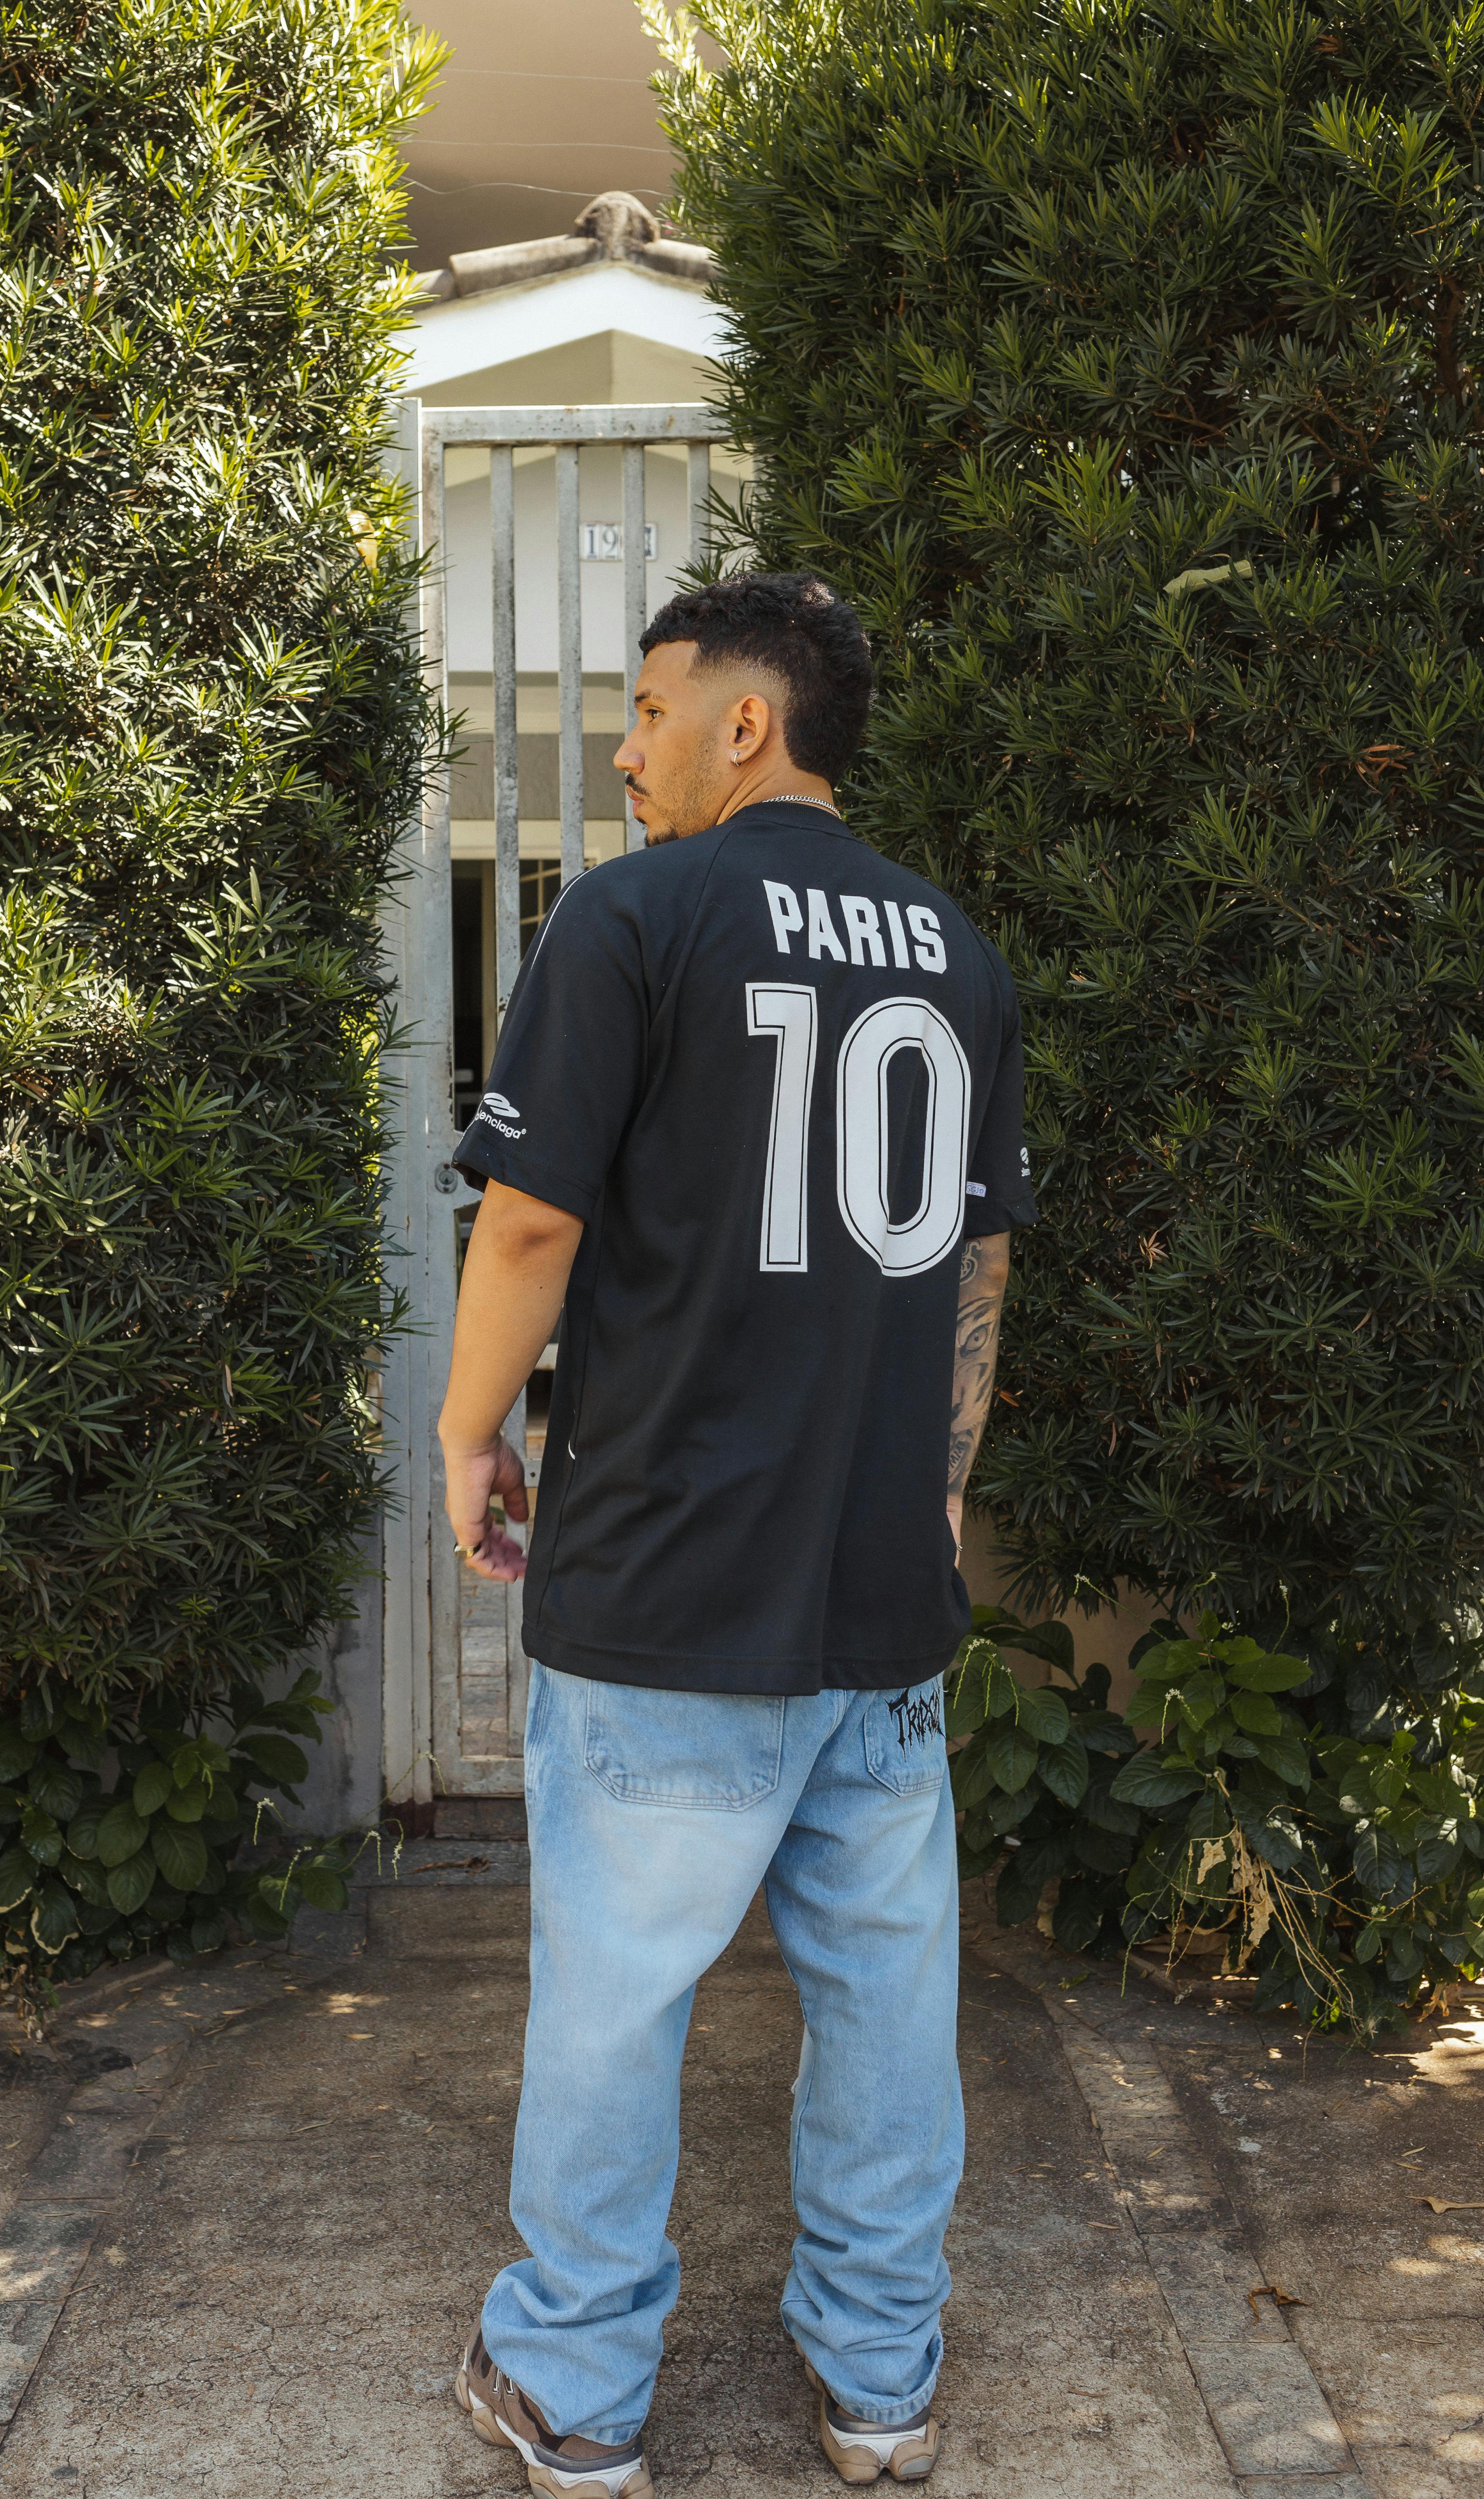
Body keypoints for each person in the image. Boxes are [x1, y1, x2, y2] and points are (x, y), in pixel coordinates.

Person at [438, 572, 1035, 2497]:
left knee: (616, 1996)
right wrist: (937, 1488)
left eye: (645, 709)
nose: (623, 749)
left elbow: (528, 1223)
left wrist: (466, 1432)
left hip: (667, 1587)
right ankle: (878, 2386)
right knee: (884, 2002)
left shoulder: (632, 919)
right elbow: (975, 1256)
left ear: (744, 726)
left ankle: (579, 2394)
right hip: (880, 1591)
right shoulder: (954, 952)